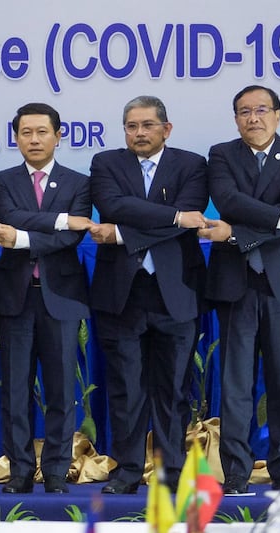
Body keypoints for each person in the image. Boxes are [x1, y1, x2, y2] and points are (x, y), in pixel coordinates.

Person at [198, 85, 280, 495]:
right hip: (236, 284)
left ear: (277, 115)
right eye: (244, 111)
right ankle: (236, 470)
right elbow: (228, 201)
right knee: (235, 383)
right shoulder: (221, 154)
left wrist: (237, 234)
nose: (253, 118)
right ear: (235, 119)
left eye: (261, 109)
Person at [89, 95, 208, 494]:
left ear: (166, 129)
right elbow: (112, 205)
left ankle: (171, 470)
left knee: (174, 387)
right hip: (121, 292)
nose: (138, 133)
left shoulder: (192, 165)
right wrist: (173, 216)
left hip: (176, 291)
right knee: (126, 387)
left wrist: (122, 232)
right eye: (131, 126)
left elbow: (190, 217)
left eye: (147, 126)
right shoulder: (106, 163)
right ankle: (126, 470)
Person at [0, 102, 92, 494]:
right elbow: (7, 218)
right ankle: (19, 470)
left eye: (42, 132)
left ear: (58, 135)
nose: (33, 139)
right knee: (15, 390)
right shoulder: (1, 181)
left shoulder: (79, 183)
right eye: (25, 133)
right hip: (16, 297)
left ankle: (54, 470)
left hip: (61, 297)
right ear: (16, 137)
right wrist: (62, 219)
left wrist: (24, 237)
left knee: (61, 390)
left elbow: (70, 239)